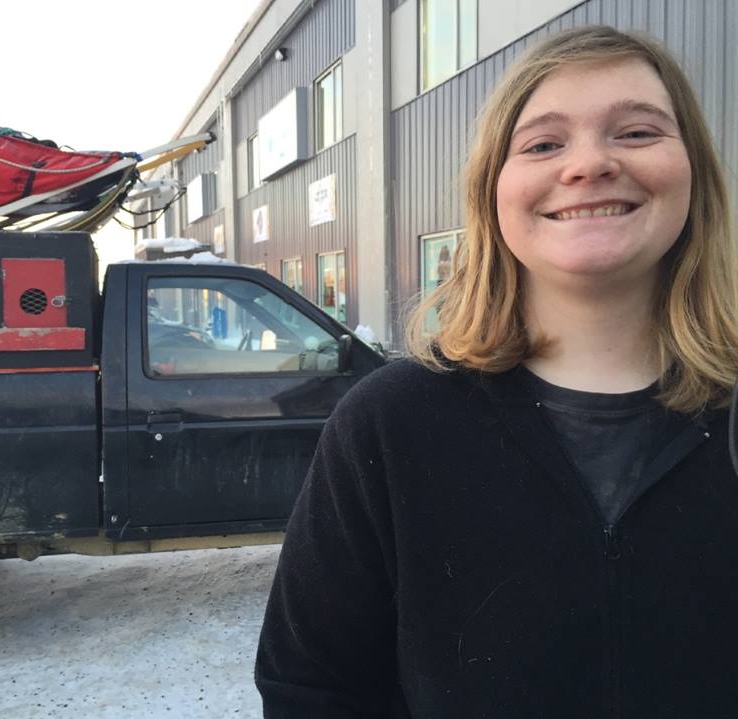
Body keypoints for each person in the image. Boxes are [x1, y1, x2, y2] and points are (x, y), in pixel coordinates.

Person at [255, 25, 738, 718]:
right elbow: (314, 690)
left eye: (636, 132)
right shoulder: (390, 424)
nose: (589, 164)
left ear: (695, 171)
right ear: (492, 191)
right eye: (543, 144)